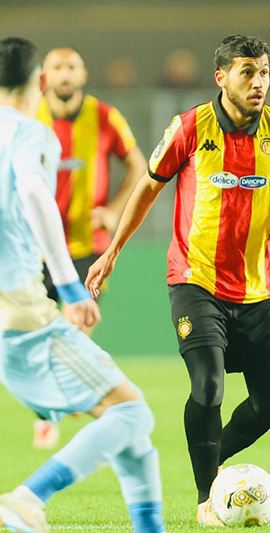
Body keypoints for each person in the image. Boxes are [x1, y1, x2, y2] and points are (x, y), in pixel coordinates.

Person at [85, 35, 270, 525]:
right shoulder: (189, 128)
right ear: (221, 77)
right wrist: (113, 250)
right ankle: (206, 498)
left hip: (258, 289)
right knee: (209, 386)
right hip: (196, 281)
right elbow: (148, 187)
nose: (259, 82)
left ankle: (213, 463)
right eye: (247, 72)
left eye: (264, 72)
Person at [0, 37, 164, 533]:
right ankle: (26, 499)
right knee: (132, 413)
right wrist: (71, 289)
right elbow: (35, 193)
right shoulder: (32, 132)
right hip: (19, 307)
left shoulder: (99, 119)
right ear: (40, 80)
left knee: (131, 434)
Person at [31, 47, 146, 450]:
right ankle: (51, 409)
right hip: (35, 247)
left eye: (72, 67)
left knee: (74, 332)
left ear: (82, 75)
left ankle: (58, 405)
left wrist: (114, 210)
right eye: (57, 67)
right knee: (38, 336)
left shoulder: (104, 116)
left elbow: (138, 165)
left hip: (87, 246)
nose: (65, 74)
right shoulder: (27, 115)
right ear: (44, 77)